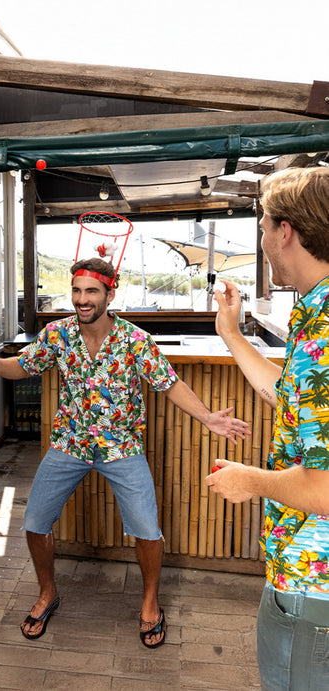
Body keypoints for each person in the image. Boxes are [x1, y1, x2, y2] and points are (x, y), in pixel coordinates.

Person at [0, 256, 249, 648]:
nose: (82, 299)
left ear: (109, 295)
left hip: (122, 446)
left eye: (91, 291)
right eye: (77, 291)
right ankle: (47, 593)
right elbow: (25, 365)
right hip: (69, 443)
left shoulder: (135, 340)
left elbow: (169, 383)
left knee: (147, 529)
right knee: (34, 521)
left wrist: (207, 418)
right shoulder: (58, 334)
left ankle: (150, 602)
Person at [206, 166, 329, 690]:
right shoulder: (317, 311)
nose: (260, 242)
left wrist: (249, 480)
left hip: (314, 585)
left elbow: (325, 488)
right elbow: (295, 397)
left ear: (286, 232)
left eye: (262, 227)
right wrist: (232, 335)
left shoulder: (325, 328)